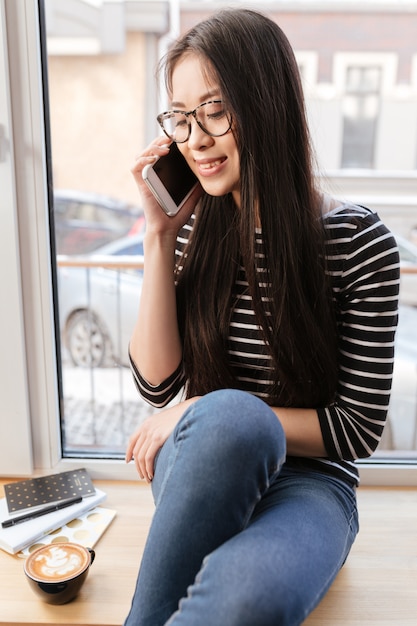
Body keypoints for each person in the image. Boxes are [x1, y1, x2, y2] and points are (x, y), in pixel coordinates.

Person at [124, 8, 400, 626]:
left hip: (310, 486)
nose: (195, 138)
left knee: (252, 596)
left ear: (267, 102)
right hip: (208, 465)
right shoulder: (194, 229)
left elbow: (354, 430)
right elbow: (159, 385)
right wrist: (158, 238)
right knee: (233, 424)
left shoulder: (359, 243)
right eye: (181, 117)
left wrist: (201, 406)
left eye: (216, 110)